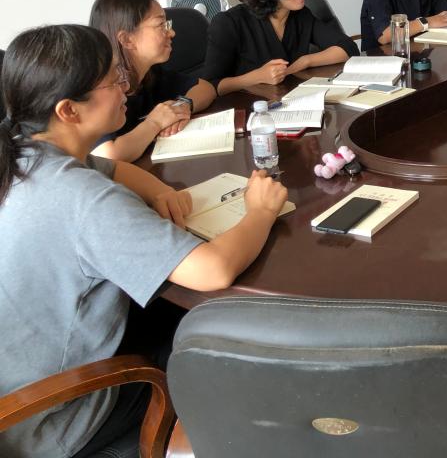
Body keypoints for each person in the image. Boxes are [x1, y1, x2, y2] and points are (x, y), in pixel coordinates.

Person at [0, 24, 287, 458]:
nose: (126, 88)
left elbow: (111, 167)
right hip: (58, 417)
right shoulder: (81, 200)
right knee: (231, 343)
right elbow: (213, 270)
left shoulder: (24, 153)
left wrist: (158, 190)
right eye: (113, 80)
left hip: (22, 380)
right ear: (69, 110)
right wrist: (260, 211)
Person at [203, 0, 358, 94]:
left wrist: (306, 61)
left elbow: (348, 47)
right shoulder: (229, 23)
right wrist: (256, 77)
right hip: (249, 107)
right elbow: (210, 86)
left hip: (292, 100)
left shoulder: (301, 15)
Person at [89, 0, 217, 162]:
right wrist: (155, 123)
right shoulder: (101, 89)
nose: (172, 33)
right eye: (161, 25)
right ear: (127, 39)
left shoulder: (150, 73)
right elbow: (108, 155)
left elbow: (205, 88)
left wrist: (183, 105)